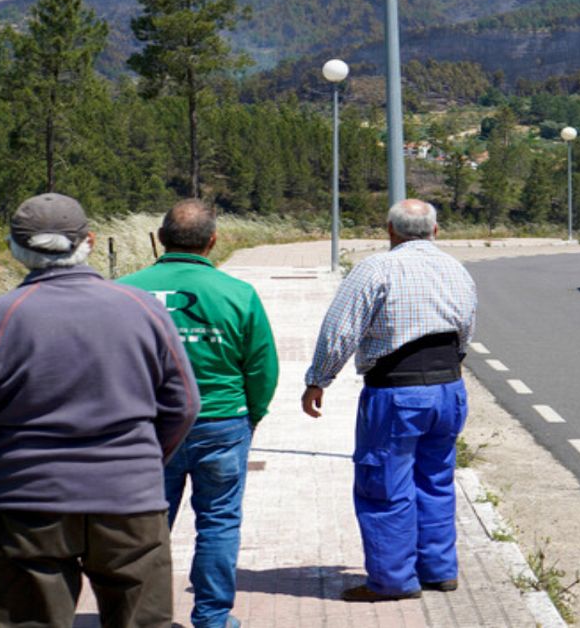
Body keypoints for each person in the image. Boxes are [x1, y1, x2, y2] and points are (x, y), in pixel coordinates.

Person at [0, 192, 199, 628]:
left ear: (15, 248)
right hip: (128, 496)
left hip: (29, 500)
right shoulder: (143, 309)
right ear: (89, 240)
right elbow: (184, 404)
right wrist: (146, 458)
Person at [302, 198, 477, 602]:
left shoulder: (376, 268)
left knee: (384, 484)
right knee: (436, 480)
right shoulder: (456, 269)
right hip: (448, 388)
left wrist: (318, 380)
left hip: (397, 391)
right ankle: (439, 570)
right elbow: (467, 329)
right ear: (435, 230)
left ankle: (393, 581)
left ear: (390, 230)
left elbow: (340, 329)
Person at [117, 199, 278, 628]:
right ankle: (212, 618)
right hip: (222, 421)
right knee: (219, 522)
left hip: (148, 428)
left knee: (144, 528)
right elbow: (261, 367)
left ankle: (140, 617)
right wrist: (251, 416)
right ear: (213, 241)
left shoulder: (124, 291)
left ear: (160, 238)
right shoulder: (238, 293)